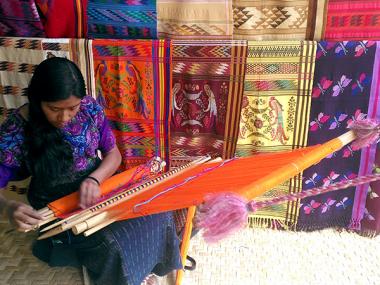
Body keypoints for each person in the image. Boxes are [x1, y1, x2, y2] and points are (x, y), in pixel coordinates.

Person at [0, 57, 181, 285]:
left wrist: (94, 179)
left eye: (71, 108)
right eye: (54, 109)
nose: (64, 118)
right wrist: (7, 207)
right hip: (56, 205)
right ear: (38, 101)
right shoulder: (16, 130)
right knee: (111, 242)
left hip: (101, 186)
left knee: (156, 212)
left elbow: (113, 155)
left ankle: (145, 266)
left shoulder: (89, 108)